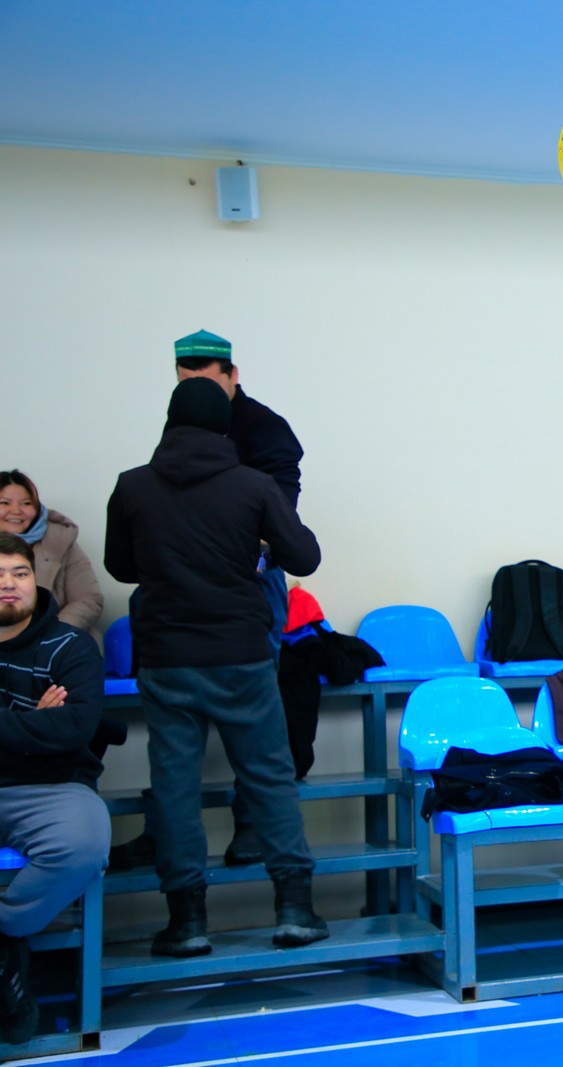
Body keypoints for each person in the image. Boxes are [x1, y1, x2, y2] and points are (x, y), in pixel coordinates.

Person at [104, 377, 325, 957]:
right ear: (224, 426)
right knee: (269, 776)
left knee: (174, 787)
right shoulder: (252, 484)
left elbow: (121, 566)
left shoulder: (132, 485)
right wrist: (255, 548)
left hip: (167, 657)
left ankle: (187, 922)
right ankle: (295, 909)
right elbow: (305, 556)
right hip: (240, 654)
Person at [0, 532, 109, 1044]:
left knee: (84, 847)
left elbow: (74, 730)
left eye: (20, 573)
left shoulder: (72, 646)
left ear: (35, 581)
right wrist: (33, 729)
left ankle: (6, 934)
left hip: (55, 788)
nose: (8, 584)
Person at [0, 470, 104, 643]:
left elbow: (88, 599)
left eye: (26, 503)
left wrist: (51, 635)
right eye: (4, 503)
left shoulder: (60, 540)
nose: (16, 511)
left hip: (55, 640)